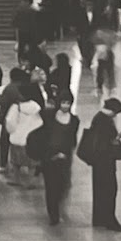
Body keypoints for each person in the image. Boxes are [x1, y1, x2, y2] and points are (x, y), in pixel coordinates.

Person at [32, 90, 79, 225]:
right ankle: (53, 214)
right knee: (51, 186)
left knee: (63, 185)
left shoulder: (74, 120)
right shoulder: (49, 116)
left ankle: (58, 208)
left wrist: (66, 152)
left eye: (68, 103)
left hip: (65, 157)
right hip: (49, 157)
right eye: (63, 102)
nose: (65, 106)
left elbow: (72, 139)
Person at [83, 97, 121, 232]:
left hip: (98, 162)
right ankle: (109, 220)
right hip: (105, 161)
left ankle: (99, 218)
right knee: (110, 190)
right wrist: (116, 140)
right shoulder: (105, 121)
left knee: (99, 190)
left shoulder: (99, 117)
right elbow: (105, 142)